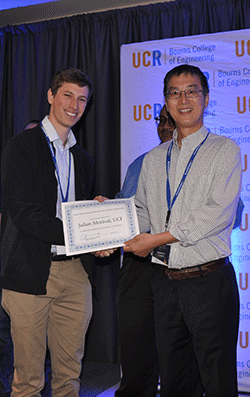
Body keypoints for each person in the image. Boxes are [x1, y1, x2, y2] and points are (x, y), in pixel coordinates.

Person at [124, 64, 241, 397]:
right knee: (174, 380)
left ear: (205, 98)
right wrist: (111, 224)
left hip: (209, 282)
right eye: (174, 93)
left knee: (217, 380)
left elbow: (215, 215)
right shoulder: (153, 158)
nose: (183, 99)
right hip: (164, 284)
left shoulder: (225, 150)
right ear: (166, 102)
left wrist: (157, 239)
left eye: (191, 91)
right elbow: (142, 212)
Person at [0, 68, 98, 397]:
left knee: (70, 374)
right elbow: (26, 215)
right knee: (28, 379)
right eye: (68, 95)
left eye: (82, 99)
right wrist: (82, 233)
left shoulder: (83, 159)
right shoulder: (21, 146)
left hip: (74, 273)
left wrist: (98, 220)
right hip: (30, 272)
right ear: (51, 96)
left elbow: (80, 214)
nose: (75, 105)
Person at [114, 105, 175, 397]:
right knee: (137, 349)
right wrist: (106, 214)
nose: (164, 126)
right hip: (139, 265)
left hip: (180, 266)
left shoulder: (207, 162)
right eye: (160, 120)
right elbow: (123, 211)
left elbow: (231, 214)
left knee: (180, 353)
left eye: (170, 120)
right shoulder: (140, 164)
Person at [0, 119, 53, 397]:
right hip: (17, 268)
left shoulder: (73, 163)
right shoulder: (14, 162)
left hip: (48, 268)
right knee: (18, 361)